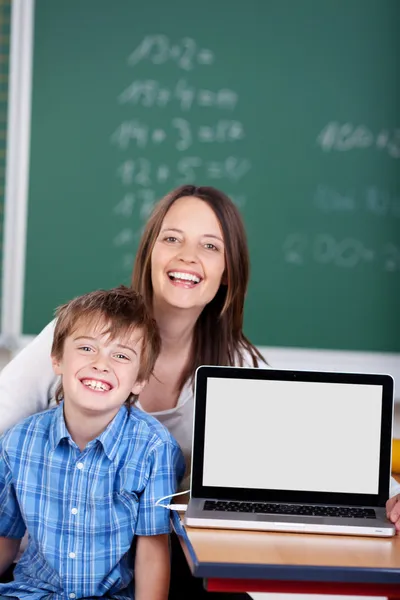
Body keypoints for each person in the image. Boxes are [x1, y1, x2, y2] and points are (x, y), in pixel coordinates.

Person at [0, 185, 399, 598]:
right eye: (172, 239)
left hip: (163, 567)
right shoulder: (79, 342)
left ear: (228, 272)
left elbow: (316, 456)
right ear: (150, 253)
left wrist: (394, 496)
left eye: (210, 246)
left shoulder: (238, 369)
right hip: (47, 570)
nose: (187, 256)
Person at [0, 285, 185, 600]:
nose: (101, 363)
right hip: (31, 593)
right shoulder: (19, 442)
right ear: (57, 359)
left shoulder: (154, 448)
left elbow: (153, 549)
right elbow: (5, 537)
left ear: (139, 380)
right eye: (87, 348)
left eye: (121, 355)